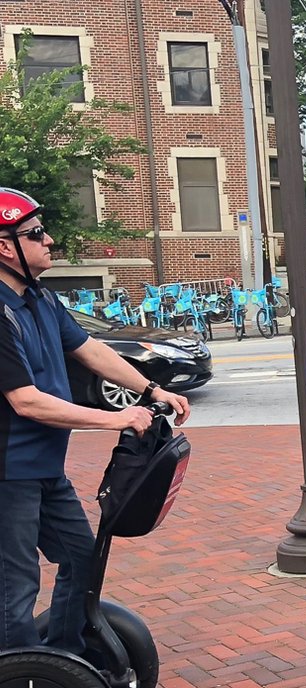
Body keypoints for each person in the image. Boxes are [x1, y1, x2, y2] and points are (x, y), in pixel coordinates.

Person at [0, 187, 190, 655]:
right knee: (16, 587)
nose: (50, 241)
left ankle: (65, 658)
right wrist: (115, 418)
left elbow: (91, 350)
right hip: (8, 475)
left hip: (44, 469)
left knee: (82, 560)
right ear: (5, 247)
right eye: (36, 233)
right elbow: (27, 402)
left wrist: (152, 390)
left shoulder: (40, 299)